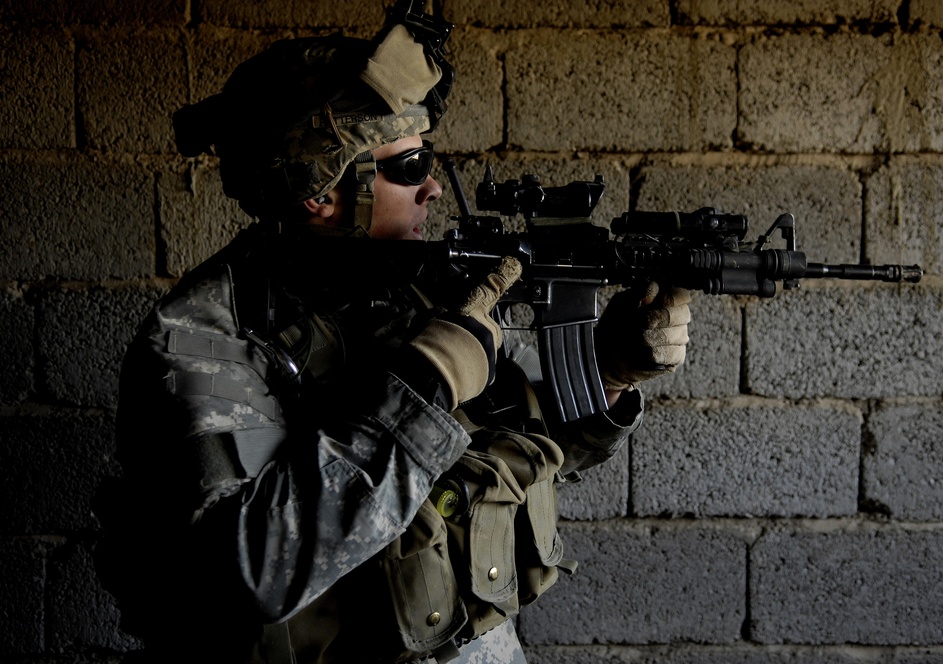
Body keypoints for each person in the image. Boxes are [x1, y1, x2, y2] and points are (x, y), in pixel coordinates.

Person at [94, 4, 692, 663]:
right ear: (322, 190)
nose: (433, 188)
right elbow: (258, 570)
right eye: (409, 167)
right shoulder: (204, 339)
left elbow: (511, 457)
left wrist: (608, 374)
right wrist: (427, 382)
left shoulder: (412, 289)